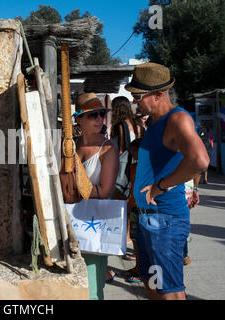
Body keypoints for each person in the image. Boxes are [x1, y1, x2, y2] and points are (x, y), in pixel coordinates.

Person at [125, 62, 209, 300]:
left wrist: (161, 186)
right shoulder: (152, 121)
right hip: (148, 218)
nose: (134, 101)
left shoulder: (177, 119)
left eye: (138, 96)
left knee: (169, 291)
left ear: (158, 95)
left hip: (165, 220)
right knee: (151, 281)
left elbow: (200, 160)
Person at [72, 92, 119, 300]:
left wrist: (71, 188)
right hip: (67, 221)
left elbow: (105, 190)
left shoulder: (108, 147)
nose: (100, 119)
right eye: (93, 115)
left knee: (91, 283)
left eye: (101, 114)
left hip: (92, 221)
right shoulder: (69, 144)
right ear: (79, 119)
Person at [110, 97, 138, 248]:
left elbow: (121, 148)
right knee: (128, 201)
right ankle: (127, 235)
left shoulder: (121, 125)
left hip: (122, 165)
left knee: (120, 200)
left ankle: (124, 235)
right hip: (132, 165)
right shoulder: (133, 123)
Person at [125, 138, 142, 283]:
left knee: (144, 242)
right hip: (135, 208)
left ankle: (142, 270)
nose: (132, 154)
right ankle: (138, 267)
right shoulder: (132, 168)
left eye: (134, 151)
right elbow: (131, 189)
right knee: (135, 239)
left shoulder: (150, 168)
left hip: (146, 210)